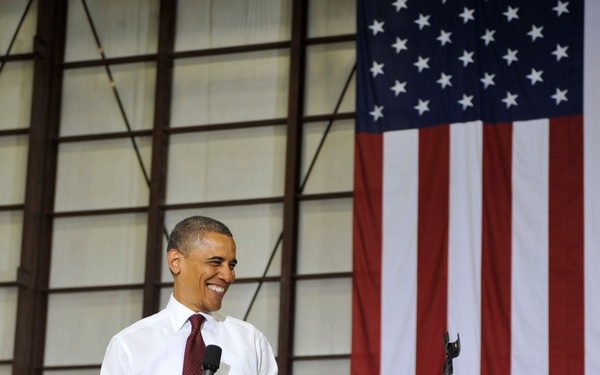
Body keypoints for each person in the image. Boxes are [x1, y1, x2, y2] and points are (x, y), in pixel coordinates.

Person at [100, 215, 278, 374]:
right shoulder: (129, 345)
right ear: (175, 261)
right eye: (215, 262)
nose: (228, 276)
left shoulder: (252, 343)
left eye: (231, 266)